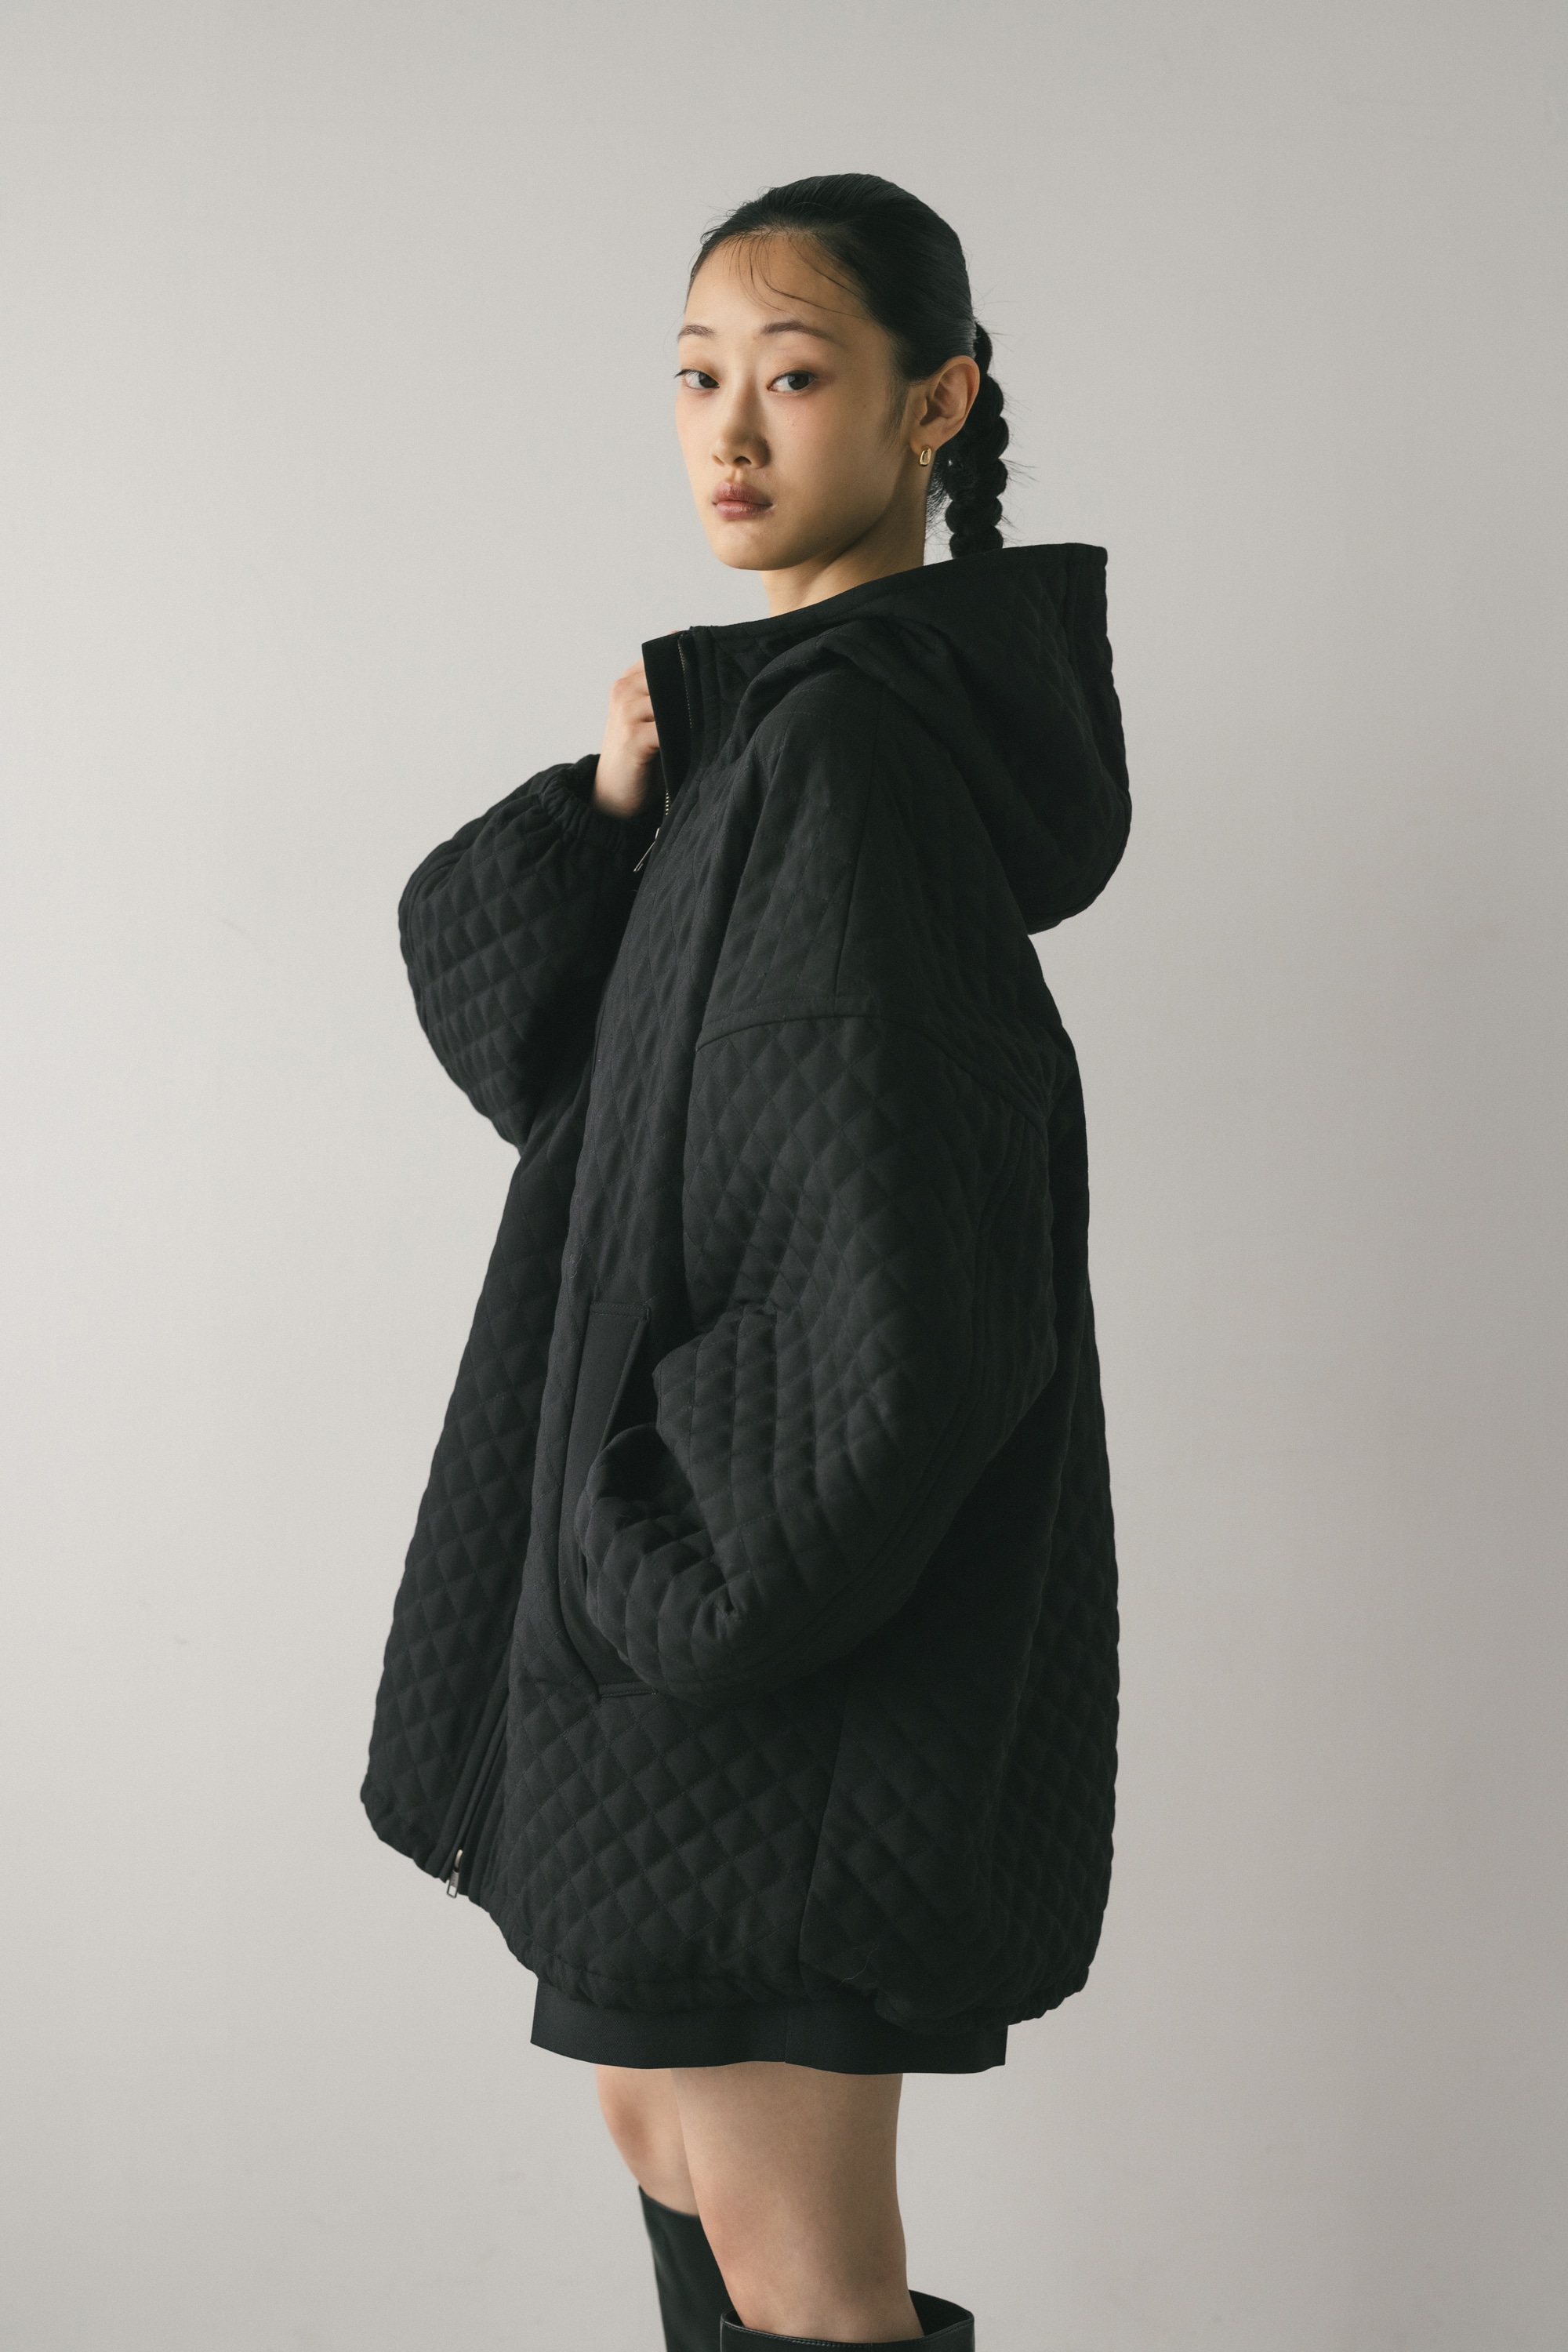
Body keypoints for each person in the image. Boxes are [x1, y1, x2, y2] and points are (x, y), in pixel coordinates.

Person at [362, 172, 1131, 2348]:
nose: (730, 427)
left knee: (799, 2262)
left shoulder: (852, 758)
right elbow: (567, 1093)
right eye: (698, 376)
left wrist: (667, 1550)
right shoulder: (772, 744)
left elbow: (893, 1278)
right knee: (671, 2139)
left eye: (794, 377)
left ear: (931, 405)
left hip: (772, 1659)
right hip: (699, 1659)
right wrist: (608, 814)